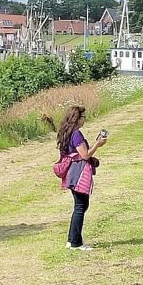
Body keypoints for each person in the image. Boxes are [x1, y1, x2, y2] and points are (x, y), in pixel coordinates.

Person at [55, 105, 106, 251]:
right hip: (78, 173)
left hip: (72, 173)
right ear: (77, 118)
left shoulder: (67, 132)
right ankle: (75, 242)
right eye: (83, 117)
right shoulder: (76, 134)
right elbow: (84, 155)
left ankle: (73, 240)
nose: (85, 120)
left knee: (80, 205)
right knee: (80, 206)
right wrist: (98, 144)